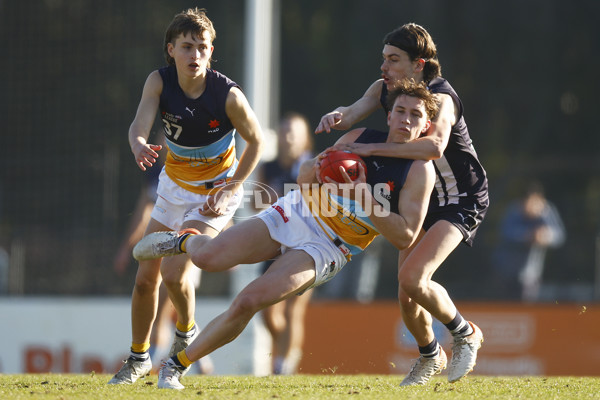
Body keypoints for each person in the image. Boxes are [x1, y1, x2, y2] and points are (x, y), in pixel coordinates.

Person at [133, 79, 438, 390]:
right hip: (298, 211)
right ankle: (182, 240)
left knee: (248, 301)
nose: (405, 120)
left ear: (427, 125)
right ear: (388, 116)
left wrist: (363, 196)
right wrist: (317, 167)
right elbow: (306, 179)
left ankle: (174, 366)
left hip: (329, 247)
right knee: (207, 258)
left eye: (415, 115)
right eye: (400, 111)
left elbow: (405, 236)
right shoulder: (359, 138)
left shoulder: (418, 171)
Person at [315, 23, 488, 385]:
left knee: (414, 277)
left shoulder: (441, 98)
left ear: (419, 64)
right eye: (383, 58)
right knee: (406, 293)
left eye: (394, 60)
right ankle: (430, 355)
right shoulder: (385, 89)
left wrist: (369, 148)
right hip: (423, 196)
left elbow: (435, 146)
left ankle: (465, 333)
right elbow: (353, 111)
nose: (384, 67)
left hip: (460, 199)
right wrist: (336, 116)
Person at [108, 7, 263, 384]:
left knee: (176, 271)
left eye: (203, 48)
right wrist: (138, 144)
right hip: (173, 187)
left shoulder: (227, 95)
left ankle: (185, 333)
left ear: (212, 53)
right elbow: (138, 125)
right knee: (146, 277)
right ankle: (139, 357)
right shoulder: (158, 83)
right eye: (187, 47)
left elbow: (256, 141)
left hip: (213, 196)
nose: (195, 55)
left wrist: (234, 184)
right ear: (171, 50)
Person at [112, 142, 213, 374]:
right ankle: (196, 358)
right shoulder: (156, 175)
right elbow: (143, 213)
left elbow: (215, 205)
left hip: (188, 241)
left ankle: (156, 358)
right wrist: (127, 247)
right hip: (162, 243)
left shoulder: (201, 166)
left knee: (166, 302)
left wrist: (225, 245)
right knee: (166, 306)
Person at [257, 112, 314, 375]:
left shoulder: (313, 166)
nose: (287, 136)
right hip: (273, 244)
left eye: (294, 132)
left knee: (294, 308)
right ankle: (286, 347)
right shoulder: (268, 168)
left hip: (306, 244)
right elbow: (255, 203)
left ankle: (285, 365)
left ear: (305, 140)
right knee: (265, 308)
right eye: (283, 131)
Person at [492, 182, 565, 302]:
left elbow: (559, 236)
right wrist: (528, 236)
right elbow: (505, 233)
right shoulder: (514, 210)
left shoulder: (546, 211)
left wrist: (545, 235)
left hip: (530, 273)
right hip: (505, 270)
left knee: (527, 306)